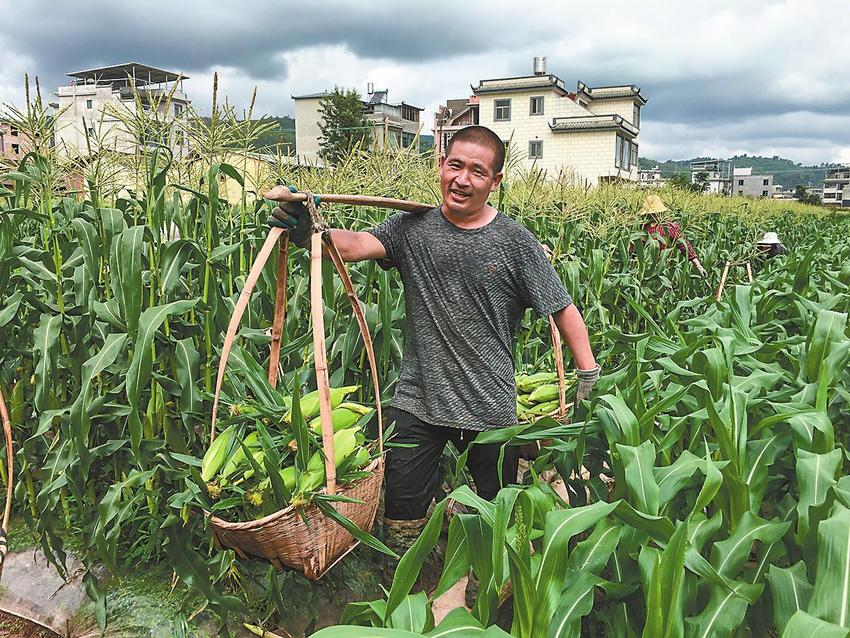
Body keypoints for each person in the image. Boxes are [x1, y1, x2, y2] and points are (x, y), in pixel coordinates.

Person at [265, 125, 599, 574]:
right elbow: (358, 244)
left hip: (490, 407)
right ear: (441, 165)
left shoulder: (516, 242)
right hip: (419, 399)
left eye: (477, 172)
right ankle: (410, 587)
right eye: (455, 165)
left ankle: (486, 587)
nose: (462, 179)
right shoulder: (411, 227)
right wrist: (309, 231)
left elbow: (562, 308)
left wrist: (587, 375)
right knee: (402, 514)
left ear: (495, 182)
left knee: (494, 514)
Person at [640, 194, 707, 277]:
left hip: (661, 269)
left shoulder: (669, 227)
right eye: (650, 214)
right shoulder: (642, 227)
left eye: (654, 213)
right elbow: (634, 249)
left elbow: (683, 245)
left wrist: (698, 265)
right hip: (643, 270)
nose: (652, 215)